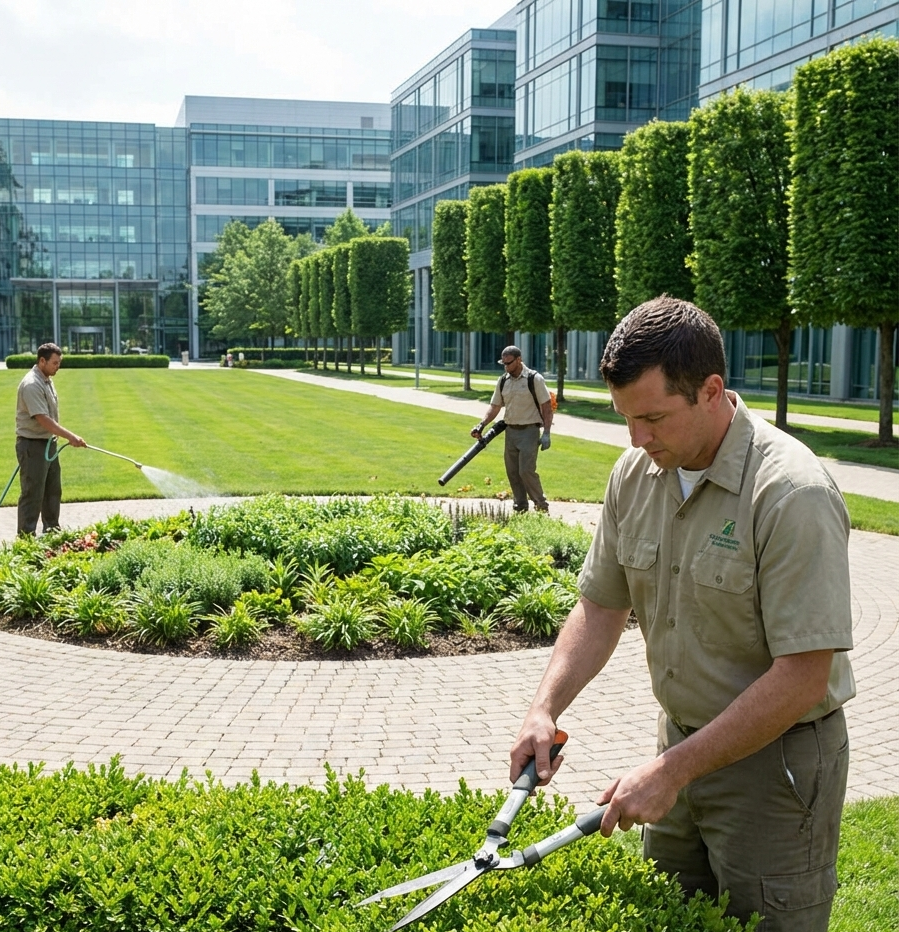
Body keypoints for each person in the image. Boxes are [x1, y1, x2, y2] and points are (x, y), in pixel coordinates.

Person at [509, 297, 854, 931]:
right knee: (668, 918)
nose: (636, 439)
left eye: (652, 418)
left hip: (776, 769)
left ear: (711, 391)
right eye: (625, 418)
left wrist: (671, 771)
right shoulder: (635, 474)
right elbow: (600, 605)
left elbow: (804, 676)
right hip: (678, 748)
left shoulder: (791, 494)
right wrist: (544, 708)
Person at [472, 345, 553, 513]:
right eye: (504, 364)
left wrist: (546, 433)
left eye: (509, 363)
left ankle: (541, 505)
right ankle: (520, 506)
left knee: (526, 471)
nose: (506, 367)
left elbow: (546, 407)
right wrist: (481, 424)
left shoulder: (534, 379)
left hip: (529, 431)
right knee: (513, 472)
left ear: (519, 360)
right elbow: (495, 406)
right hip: (510, 431)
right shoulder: (503, 381)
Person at [15, 343, 86, 536]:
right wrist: (70, 436)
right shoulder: (32, 384)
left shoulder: (46, 380)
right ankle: (26, 538)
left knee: (53, 490)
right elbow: (43, 419)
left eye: (59, 363)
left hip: (48, 443)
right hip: (32, 445)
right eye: (55, 363)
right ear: (42, 361)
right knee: (33, 493)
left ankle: (52, 531)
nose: (58, 367)